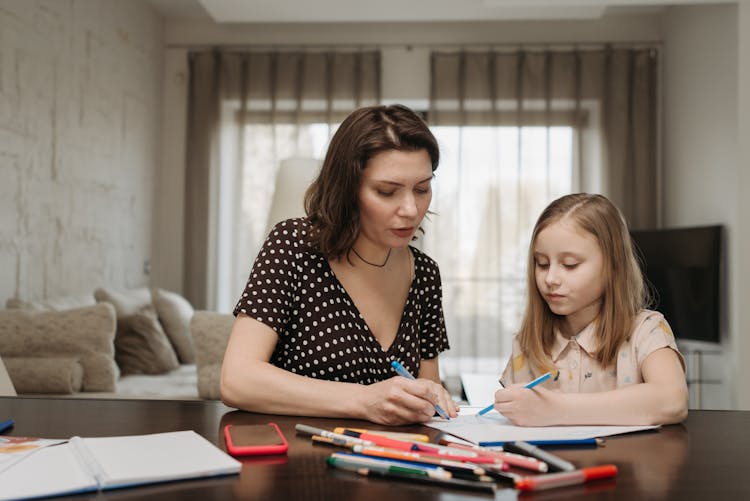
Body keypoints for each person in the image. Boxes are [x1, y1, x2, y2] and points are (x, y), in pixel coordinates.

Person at [220, 104, 458, 425]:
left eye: (422, 189)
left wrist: (430, 397)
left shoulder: (425, 274)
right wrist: (364, 400)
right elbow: (237, 380)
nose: (410, 209)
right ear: (347, 189)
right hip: (296, 461)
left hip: (388, 460)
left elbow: (428, 387)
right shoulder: (293, 245)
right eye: (387, 192)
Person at [492, 193, 688, 426]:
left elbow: (672, 400)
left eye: (570, 265)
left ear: (613, 266)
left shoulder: (646, 330)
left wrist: (554, 410)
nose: (551, 278)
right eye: (542, 264)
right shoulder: (527, 343)